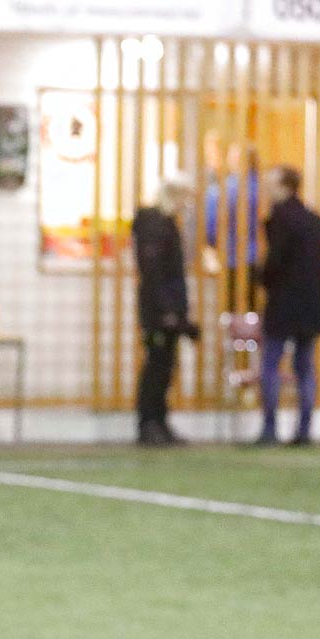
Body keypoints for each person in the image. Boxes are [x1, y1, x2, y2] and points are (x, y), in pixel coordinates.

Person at [256, 165, 320, 446]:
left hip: (284, 301)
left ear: (284, 185)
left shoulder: (280, 218)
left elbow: (275, 263)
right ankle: (303, 429)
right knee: (304, 365)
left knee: (271, 363)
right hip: (310, 303)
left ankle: (270, 428)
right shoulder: (313, 220)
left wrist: (262, 278)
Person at [130, 174, 197, 446]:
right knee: (156, 368)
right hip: (159, 312)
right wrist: (168, 311)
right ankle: (149, 423)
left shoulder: (163, 225)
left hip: (165, 310)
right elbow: (156, 274)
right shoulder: (156, 226)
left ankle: (158, 421)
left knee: (164, 367)